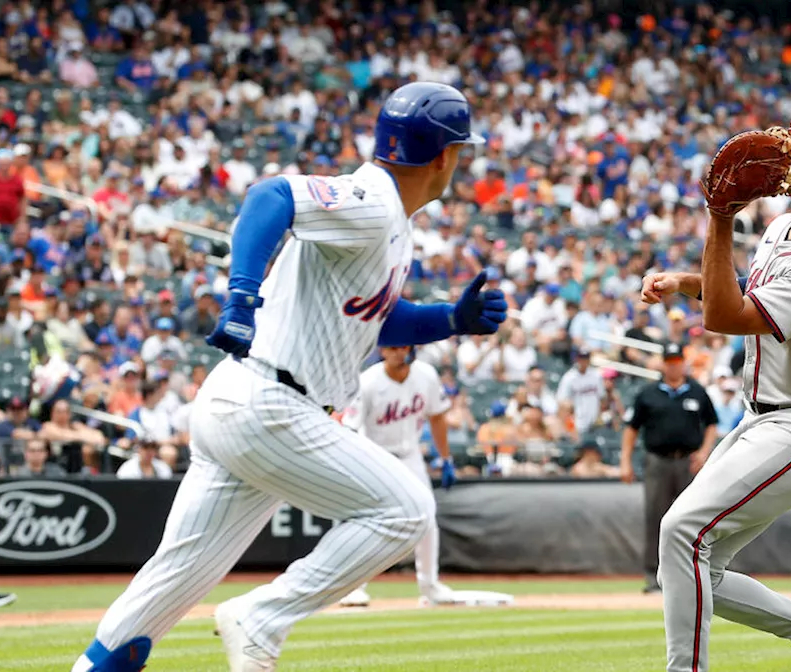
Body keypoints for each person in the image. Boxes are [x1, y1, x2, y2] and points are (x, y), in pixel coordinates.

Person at [74, 82, 506, 672]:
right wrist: (241, 296)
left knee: (161, 595)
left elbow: (375, 316)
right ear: (443, 157)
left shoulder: (391, 219)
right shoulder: (374, 201)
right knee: (405, 510)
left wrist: (449, 319)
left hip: (242, 403)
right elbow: (269, 196)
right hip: (272, 405)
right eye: (461, 150)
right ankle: (262, 617)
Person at [639, 119, 791, 672]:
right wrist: (686, 281)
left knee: (681, 531)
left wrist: (720, 218)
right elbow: (742, 295)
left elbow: (726, 318)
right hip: (765, 419)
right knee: (692, 563)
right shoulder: (781, 228)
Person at [336, 345, 512, 609]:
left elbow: (437, 417)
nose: (399, 352)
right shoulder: (369, 381)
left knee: (427, 518)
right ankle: (353, 588)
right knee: (363, 519)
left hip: (410, 455)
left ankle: (430, 586)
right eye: (393, 347)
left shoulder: (426, 374)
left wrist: (446, 458)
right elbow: (348, 428)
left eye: (403, 346)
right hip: (376, 454)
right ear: (383, 350)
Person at [620, 343, 719, 594]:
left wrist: (705, 451)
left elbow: (711, 424)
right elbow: (631, 429)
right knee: (656, 518)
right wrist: (625, 461)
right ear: (663, 364)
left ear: (683, 363)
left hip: (688, 461)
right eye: (670, 361)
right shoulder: (648, 393)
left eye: (677, 361)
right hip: (658, 461)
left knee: (693, 517)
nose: (674, 365)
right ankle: (654, 576)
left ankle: (693, 573)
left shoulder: (697, 392)